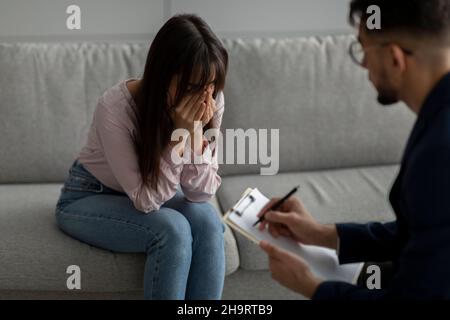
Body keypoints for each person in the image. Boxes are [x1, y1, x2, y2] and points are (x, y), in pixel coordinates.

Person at [258, 0, 450, 299]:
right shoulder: (438, 120)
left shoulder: (438, 151)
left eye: (363, 49)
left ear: (395, 58)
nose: (362, 64)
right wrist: (321, 234)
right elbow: (419, 234)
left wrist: (311, 286)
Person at [54, 14, 228, 300]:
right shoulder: (115, 108)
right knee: (172, 230)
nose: (203, 99)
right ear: (163, 76)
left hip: (149, 191)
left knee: (208, 221)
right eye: (193, 87)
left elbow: (200, 193)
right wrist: (179, 137)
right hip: (89, 195)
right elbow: (147, 201)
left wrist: (194, 135)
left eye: (210, 86)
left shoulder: (211, 99)